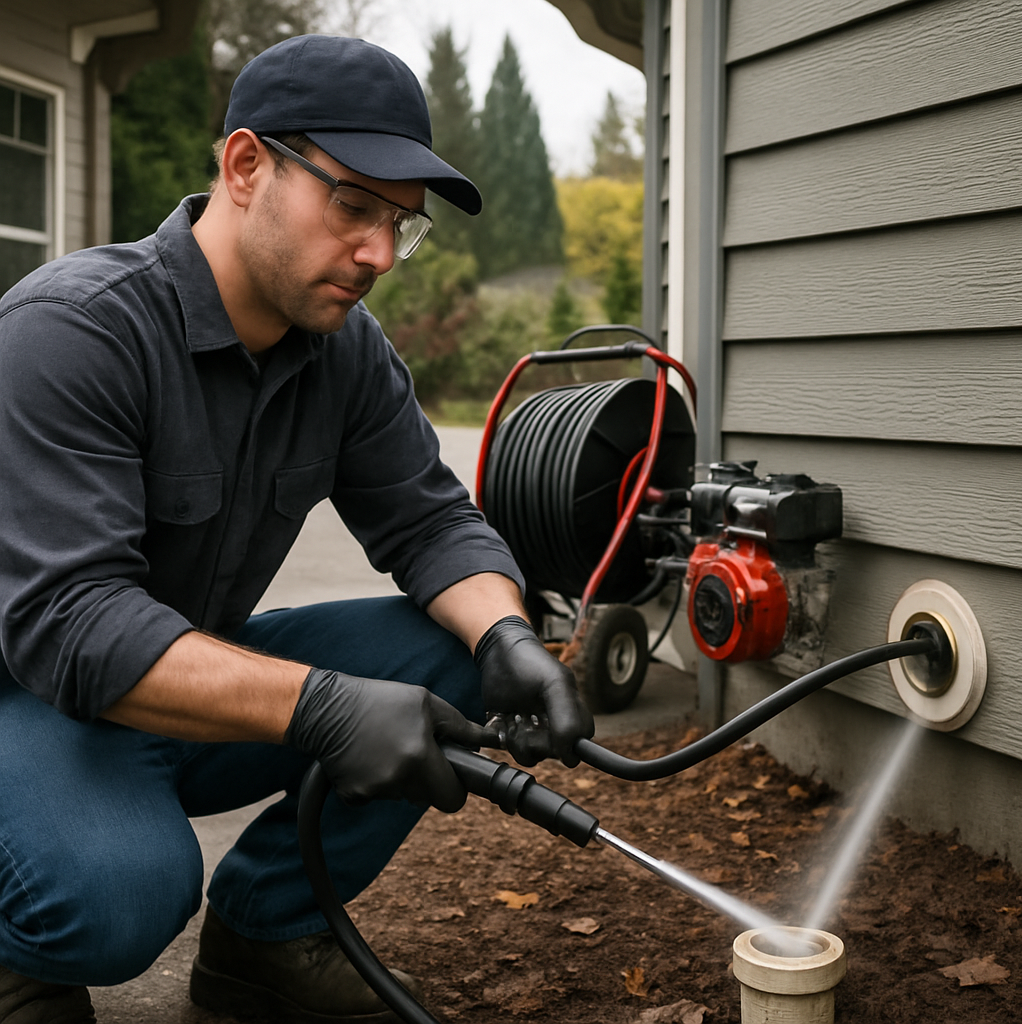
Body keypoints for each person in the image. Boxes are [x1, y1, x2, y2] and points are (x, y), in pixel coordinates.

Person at [0, 35, 594, 1024]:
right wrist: (320, 708)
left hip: (172, 691)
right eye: (352, 205)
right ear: (245, 167)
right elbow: (76, 625)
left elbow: (429, 516)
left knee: (444, 654)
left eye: (400, 225)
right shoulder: (72, 332)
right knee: (118, 897)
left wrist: (509, 636)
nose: (376, 253)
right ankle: (17, 942)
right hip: (29, 699)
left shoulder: (340, 349)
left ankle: (265, 935)